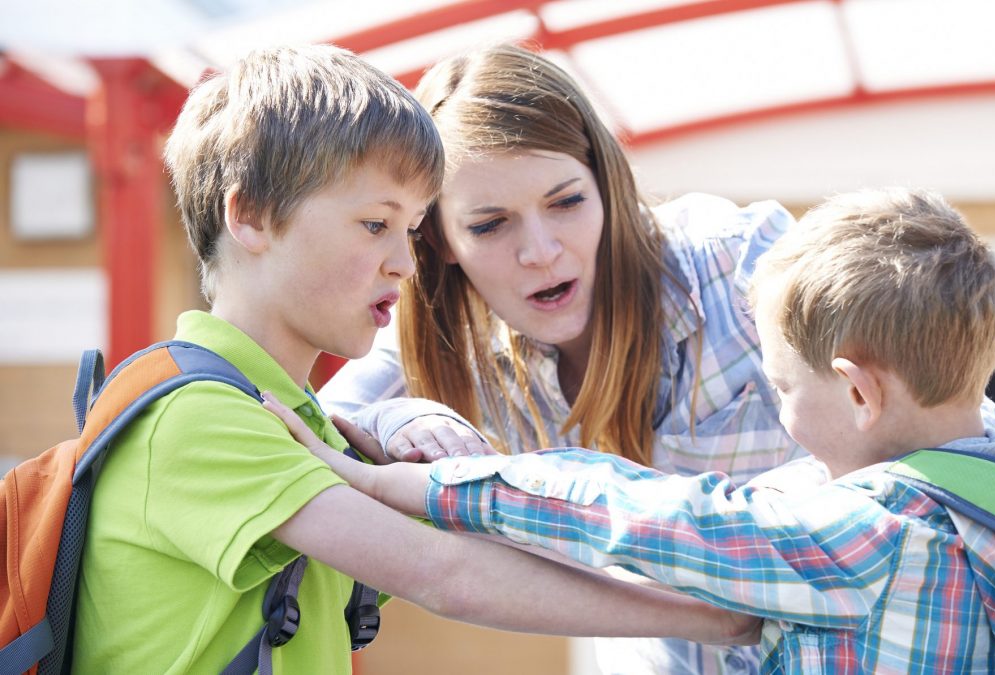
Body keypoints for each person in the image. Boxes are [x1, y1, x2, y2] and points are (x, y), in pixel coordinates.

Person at [320, 45, 995, 674]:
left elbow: (950, 420)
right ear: (440, 239)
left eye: (566, 202)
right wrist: (397, 419)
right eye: (490, 224)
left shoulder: (735, 264)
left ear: (605, 186)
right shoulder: (446, 341)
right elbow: (307, 429)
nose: (540, 250)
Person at [69, 44, 759, 674]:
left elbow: (475, 551)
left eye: (410, 229)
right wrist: (724, 616)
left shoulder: (304, 422)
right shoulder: (201, 415)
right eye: (377, 224)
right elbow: (447, 572)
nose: (404, 262)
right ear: (248, 216)